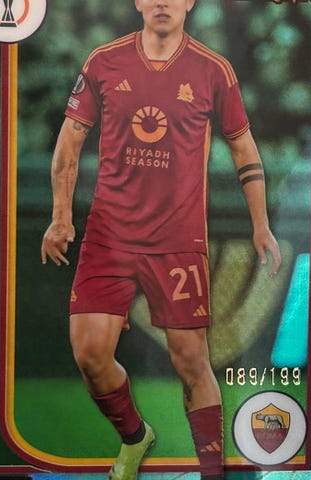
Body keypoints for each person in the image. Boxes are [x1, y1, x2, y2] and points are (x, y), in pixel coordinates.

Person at [41, 1, 281, 479]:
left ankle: (211, 474)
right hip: (109, 236)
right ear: (137, 2)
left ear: (190, 2)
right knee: (90, 355)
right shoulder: (103, 61)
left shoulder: (213, 69)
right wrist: (60, 217)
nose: (163, 2)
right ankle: (136, 437)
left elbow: (242, 145)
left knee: (192, 362)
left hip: (177, 239)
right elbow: (70, 139)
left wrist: (261, 224)